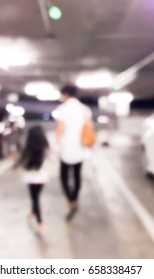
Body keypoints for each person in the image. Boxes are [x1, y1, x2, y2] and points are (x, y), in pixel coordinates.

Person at [55, 85, 92, 221]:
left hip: (66, 147)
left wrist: (56, 146)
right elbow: (89, 126)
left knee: (64, 176)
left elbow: (60, 129)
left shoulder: (62, 109)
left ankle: (71, 200)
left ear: (65, 94)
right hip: (80, 146)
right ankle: (75, 198)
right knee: (77, 175)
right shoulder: (84, 109)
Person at [15, 125, 50, 236]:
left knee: (34, 198)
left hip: (30, 178)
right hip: (42, 178)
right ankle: (33, 212)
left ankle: (40, 223)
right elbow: (52, 159)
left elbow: (21, 162)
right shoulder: (44, 148)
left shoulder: (27, 149)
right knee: (35, 197)